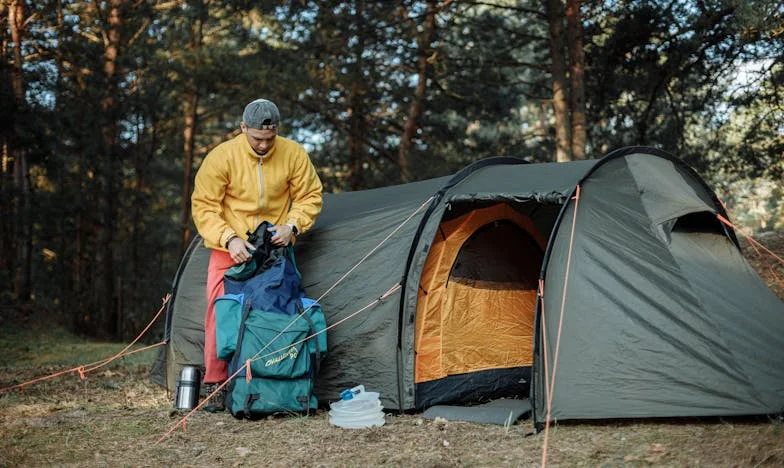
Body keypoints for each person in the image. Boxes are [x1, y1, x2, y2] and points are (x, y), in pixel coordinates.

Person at [191, 98, 323, 411]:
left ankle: (268, 383)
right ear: (242, 128)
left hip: (273, 250)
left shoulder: (293, 154)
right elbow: (204, 205)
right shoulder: (221, 157)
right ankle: (217, 385)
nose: (263, 145)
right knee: (221, 314)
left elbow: (310, 196)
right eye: (256, 139)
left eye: (269, 138)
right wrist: (229, 238)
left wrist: (292, 225)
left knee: (273, 314)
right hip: (230, 248)